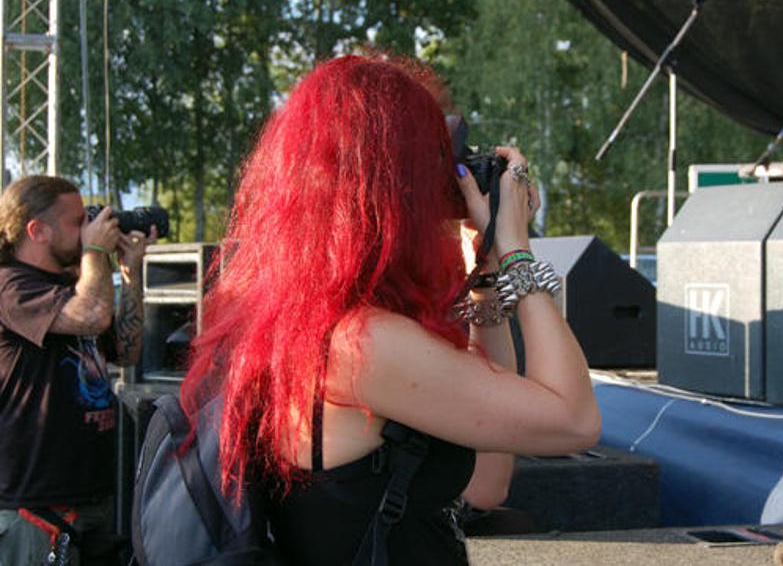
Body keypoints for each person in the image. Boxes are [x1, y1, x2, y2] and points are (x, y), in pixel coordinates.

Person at [180, 54, 601, 565]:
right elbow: (575, 420)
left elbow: (487, 485)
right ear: (396, 184)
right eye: (434, 162)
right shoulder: (365, 344)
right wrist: (516, 249)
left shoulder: (313, 325)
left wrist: (488, 276)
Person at [0, 176, 155, 565]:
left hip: (91, 497)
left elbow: (128, 352)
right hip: (34, 507)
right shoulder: (10, 286)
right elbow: (92, 316)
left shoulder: (80, 284)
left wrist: (131, 273)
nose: (89, 228)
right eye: (77, 221)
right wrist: (95, 250)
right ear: (37, 230)